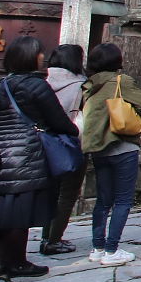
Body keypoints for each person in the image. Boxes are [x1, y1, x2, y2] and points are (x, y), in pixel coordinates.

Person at [0, 36, 79, 280]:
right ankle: (18, 262)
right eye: (38, 53)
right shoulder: (36, 86)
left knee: (2, 207)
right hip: (28, 152)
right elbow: (57, 119)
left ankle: (3, 261)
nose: (41, 57)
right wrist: (71, 132)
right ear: (30, 57)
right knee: (20, 212)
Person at [80, 41, 141, 266]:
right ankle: (112, 249)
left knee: (103, 200)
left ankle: (98, 247)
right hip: (122, 144)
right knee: (122, 199)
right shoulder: (121, 81)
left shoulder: (90, 85)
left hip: (99, 147)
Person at [39, 42, 88, 256]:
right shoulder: (81, 86)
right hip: (71, 143)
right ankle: (54, 239)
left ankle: (45, 236)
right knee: (67, 194)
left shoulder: (42, 81)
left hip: (44, 142)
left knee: (50, 192)